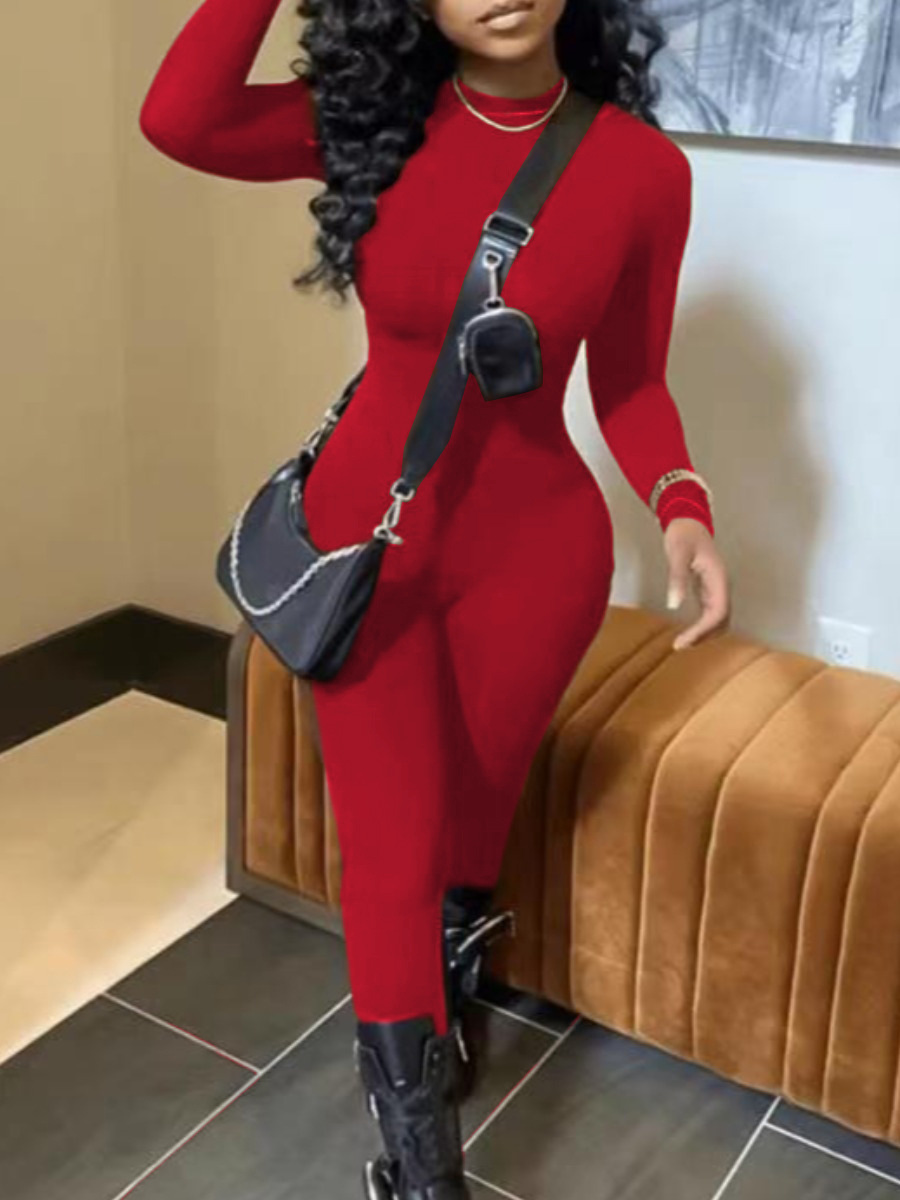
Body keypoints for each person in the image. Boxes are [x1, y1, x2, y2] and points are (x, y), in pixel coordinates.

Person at [139, 0, 731, 1194]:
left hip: (539, 565)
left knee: (476, 808)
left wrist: (681, 502)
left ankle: (447, 966)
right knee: (391, 848)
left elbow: (630, 382)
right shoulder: (373, 122)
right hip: (370, 550)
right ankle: (418, 1167)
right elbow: (181, 119)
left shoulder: (641, 170)